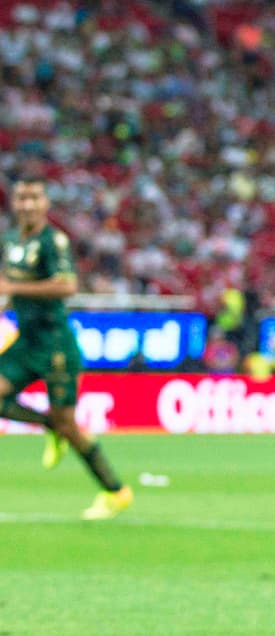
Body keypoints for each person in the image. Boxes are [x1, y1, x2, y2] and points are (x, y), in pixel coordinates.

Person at [0, 175, 133, 519]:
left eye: (34, 198)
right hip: (26, 340)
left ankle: (116, 491)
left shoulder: (52, 241)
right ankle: (49, 426)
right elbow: (9, 289)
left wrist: (13, 286)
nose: (27, 205)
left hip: (55, 344)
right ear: (14, 203)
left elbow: (67, 285)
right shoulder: (11, 240)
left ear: (45, 204)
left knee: (70, 426)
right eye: (22, 198)